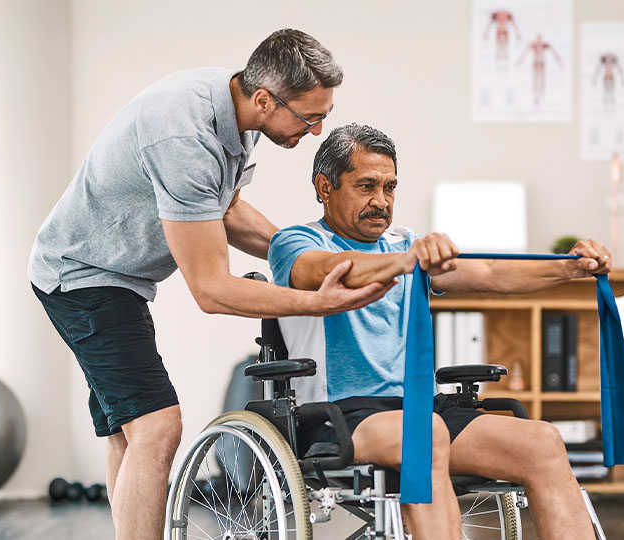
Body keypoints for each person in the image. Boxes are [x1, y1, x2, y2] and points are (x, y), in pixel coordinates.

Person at [28, 30, 392, 540]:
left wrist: (306, 254)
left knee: (130, 436)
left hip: (119, 278)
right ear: (265, 98)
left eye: (324, 116)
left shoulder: (233, 111)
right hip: (83, 278)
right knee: (157, 428)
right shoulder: (183, 137)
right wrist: (316, 301)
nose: (316, 131)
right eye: (309, 117)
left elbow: (225, 209)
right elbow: (212, 289)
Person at [268, 123, 610, 540]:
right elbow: (328, 272)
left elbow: (490, 271)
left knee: (542, 440)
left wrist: (570, 267)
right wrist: (405, 260)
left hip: (421, 408)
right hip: (339, 415)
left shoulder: (404, 243)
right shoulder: (295, 241)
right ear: (325, 187)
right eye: (366, 186)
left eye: (390, 187)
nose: (381, 201)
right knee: (423, 434)